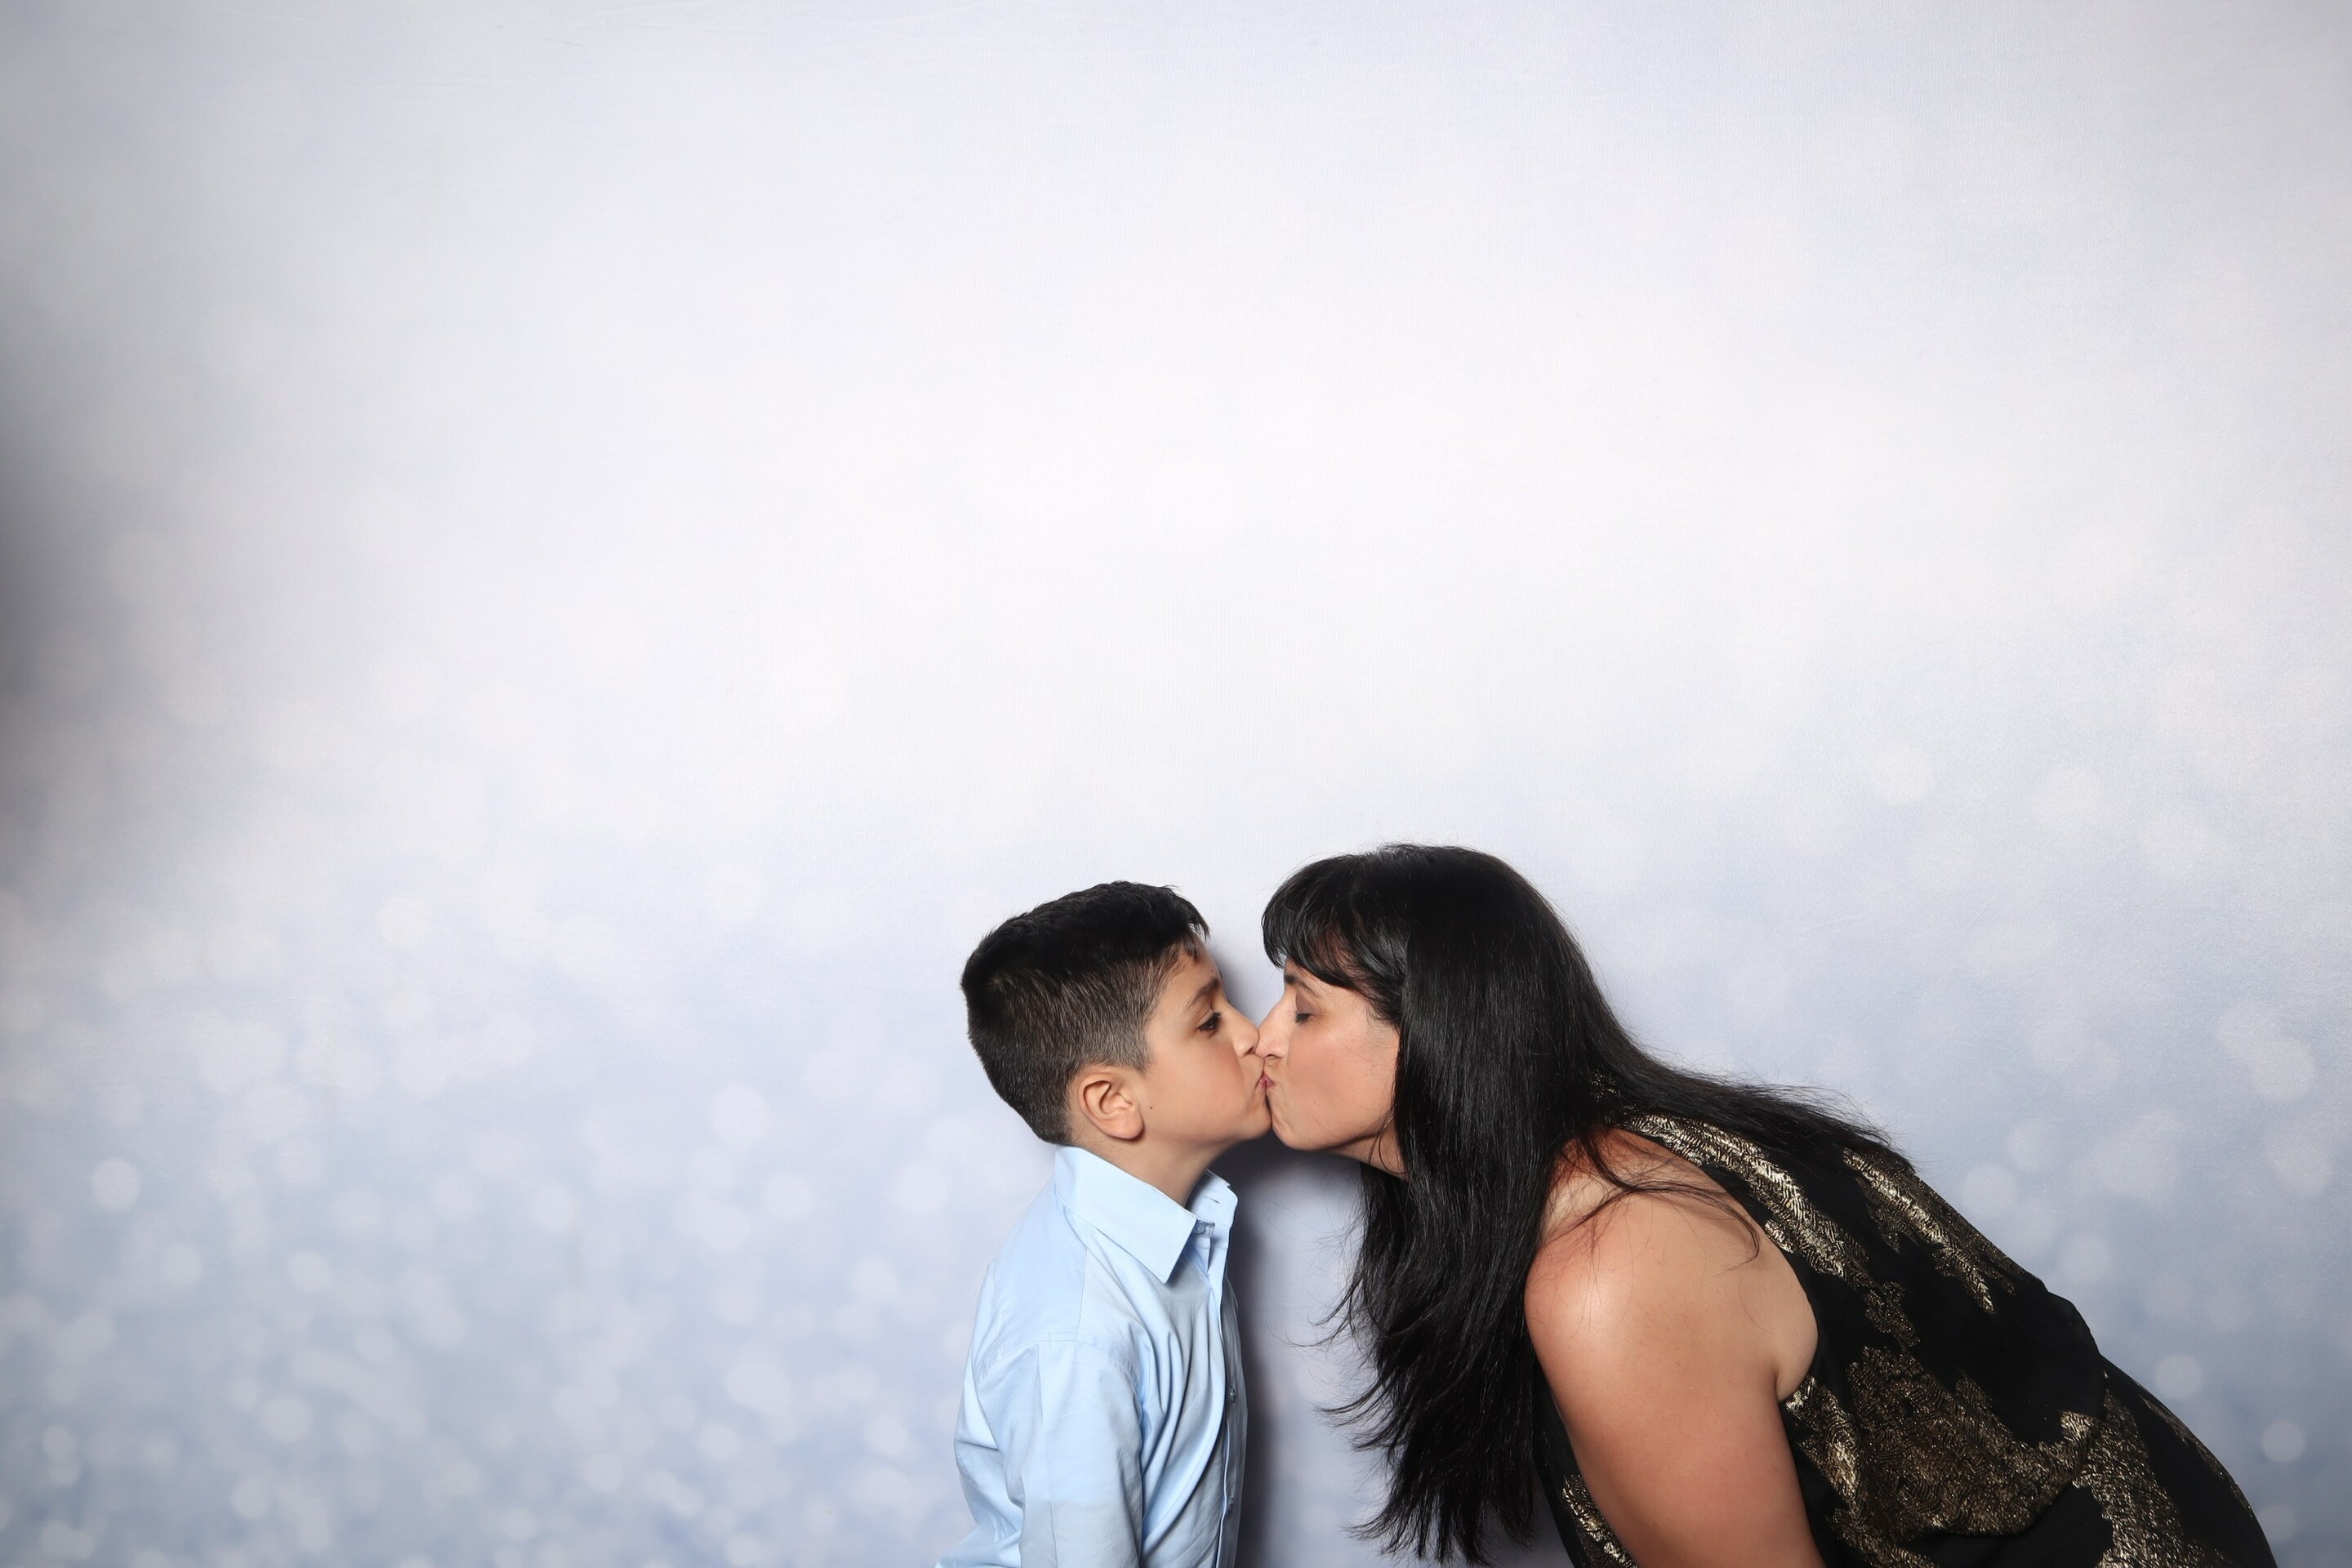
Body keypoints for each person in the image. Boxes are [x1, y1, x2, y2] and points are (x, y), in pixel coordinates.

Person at [1251, 844, 2273, 1568]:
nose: (1264, 1039)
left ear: (1439, 1036)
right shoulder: (1626, 1141)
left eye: (1304, 1006)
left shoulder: (1612, 1268)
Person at [937, 881, 1270, 1568]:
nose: (1252, 1035)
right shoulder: (1079, 1338)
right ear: (1113, 1101)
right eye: (1209, 1022)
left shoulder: (1179, 1231)